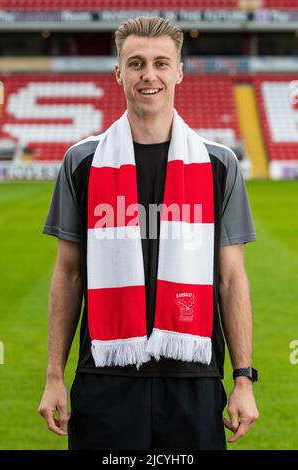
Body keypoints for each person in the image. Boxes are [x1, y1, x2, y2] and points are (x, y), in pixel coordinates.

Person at [38, 16, 259, 450]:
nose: (149, 75)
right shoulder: (82, 161)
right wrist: (53, 377)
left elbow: (231, 278)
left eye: (161, 63)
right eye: (136, 63)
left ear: (179, 71)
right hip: (105, 375)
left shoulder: (219, 164)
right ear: (118, 72)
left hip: (194, 377)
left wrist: (243, 378)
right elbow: (67, 274)